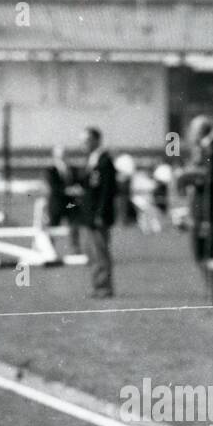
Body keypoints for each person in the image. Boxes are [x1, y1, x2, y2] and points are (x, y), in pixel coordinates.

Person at [183, 115, 213, 265]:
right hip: (198, 207)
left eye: (193, 129)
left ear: (201, 130)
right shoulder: (199, 149)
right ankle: (212, 286)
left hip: (210, 207)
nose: (190, 132)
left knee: (211, 250)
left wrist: (192, 177)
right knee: (199, 252)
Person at [79, 126, 116, 298]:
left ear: (96, 140)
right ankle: (98, 285)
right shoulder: (92, 159)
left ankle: (103, 287)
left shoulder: (104, 160)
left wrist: (101, 214)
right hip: (90, 215)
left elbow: (107, 190)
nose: (83, 144)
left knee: (100, 251)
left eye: (86, 140)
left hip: (98, 215)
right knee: (93, 252)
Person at [44, 145, 82, 255]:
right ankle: (49, 250)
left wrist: (77, 190)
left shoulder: (73, 169)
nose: (62, 156)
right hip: (57, 203)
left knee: (74, 226)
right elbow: (54, 187)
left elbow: (79, 182)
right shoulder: (50, 170)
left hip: (71, 204)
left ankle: (75, 249)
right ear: (55, 156)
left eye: (64, 154)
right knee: (52, 228)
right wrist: (68, 190)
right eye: (60, 154)